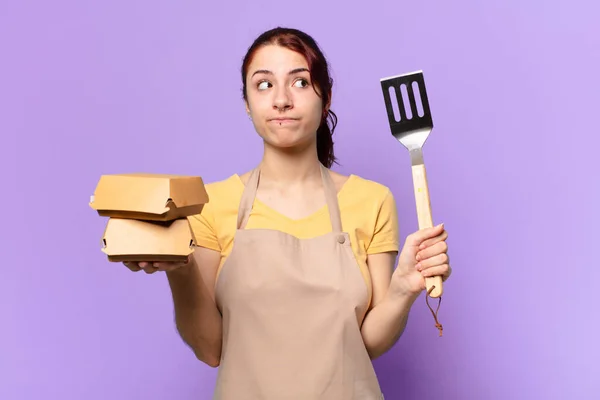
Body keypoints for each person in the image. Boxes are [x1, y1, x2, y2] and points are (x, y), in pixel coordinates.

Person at [124, 27, 452, 399]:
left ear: (325, 98)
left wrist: (403, 289)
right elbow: (210, 348)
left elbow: (367, 343)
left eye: (299, 82)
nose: (281, 100)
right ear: (247, 104)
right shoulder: (210, 205)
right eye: (264, 85)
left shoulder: (372, 199)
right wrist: (180, 268)